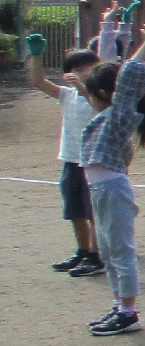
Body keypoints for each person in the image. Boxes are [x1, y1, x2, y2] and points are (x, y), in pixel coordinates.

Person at [79, 14, 145, 337]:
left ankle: (129, 312)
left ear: (104, 94)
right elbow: (118, 75)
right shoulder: (108, 115)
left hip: (112, 190)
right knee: (107, 252)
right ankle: (120, 305)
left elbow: (126, 81)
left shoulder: (117, 116)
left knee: (120, 251)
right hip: (100, 191)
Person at [27, 35, 104, 277]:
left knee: (94, 212)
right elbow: (39, 81)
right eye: (76, 68)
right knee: (75, 211)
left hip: (94, 163)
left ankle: (97, 256)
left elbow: (98, 105)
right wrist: (37, 56)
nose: (81, 72)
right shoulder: (67, 94)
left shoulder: (101, 95)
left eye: (86, 67)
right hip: (71, 160)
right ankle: (83, 250)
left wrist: (82, 86)